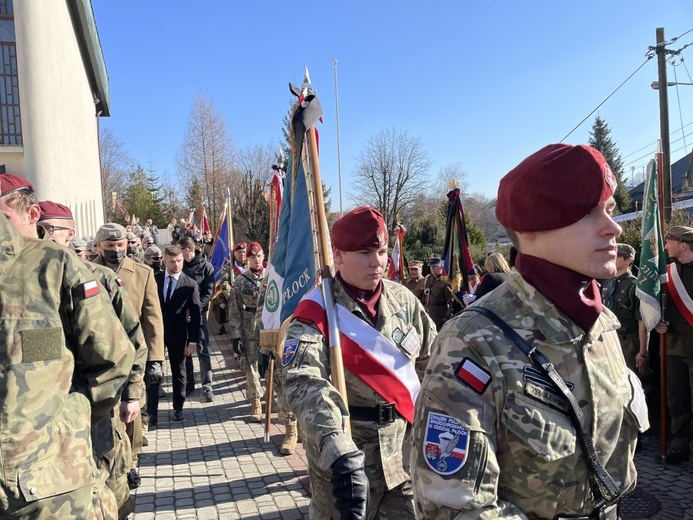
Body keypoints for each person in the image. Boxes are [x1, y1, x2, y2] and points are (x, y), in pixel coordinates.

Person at [411, 144, 648, 519]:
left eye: (610, 210)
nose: (613, 227)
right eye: (588, 213)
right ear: (531, 230)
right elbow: (454, 507)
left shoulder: (601, 324)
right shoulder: (473, 341)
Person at [281, 206, 437, 519]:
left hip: (403, 457)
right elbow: (303, 382)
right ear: (337, 256)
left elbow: (433, 360)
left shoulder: (403, 301)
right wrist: (335, 443)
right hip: (347, 463)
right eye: (365, 252)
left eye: (380, 251)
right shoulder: (318, 312)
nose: (378, 262)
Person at [0, 174, 135, 518]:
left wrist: (81, 414)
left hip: (50, 475)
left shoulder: (56, 265)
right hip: (52, 476)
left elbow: (119, 348)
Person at [38, 200, 148, 518]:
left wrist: (131, 394)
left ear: (70, 234)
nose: (39, 236)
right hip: (43, 423)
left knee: (111, 493)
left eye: (48, 229)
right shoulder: (22, 282)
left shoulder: (97, 280)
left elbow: (131, 340)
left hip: (98, 413)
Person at [93, 222, 165, 489]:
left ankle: (132, 461)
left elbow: (153, 319)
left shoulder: (142, 274)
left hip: (133, 356)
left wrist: (156, 359)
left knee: (132, 410)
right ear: (98, 247)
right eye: (110, 246)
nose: (116, 251)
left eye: (120, 245)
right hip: (99, 357)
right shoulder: (85, 272)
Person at [655, 225, 693, 468]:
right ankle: (680, 445)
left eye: (669, 241)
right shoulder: (667, 272)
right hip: (671, 345)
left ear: (683, 244)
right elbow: (654, 303)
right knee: (676, 399)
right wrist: (655, 322)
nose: (665, 245)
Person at [153, 245, 201, 421]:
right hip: (156, 333)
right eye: (172, 261)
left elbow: (195, 316)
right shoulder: (154, 280)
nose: (176, 265)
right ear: (165, 261)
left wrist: (193, 341)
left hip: (179, 334)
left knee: (179, 371)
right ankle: (151, 412)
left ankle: (178, 407)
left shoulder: (190, 284)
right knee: (153, 372)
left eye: (179, 261)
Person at [228, 242, 268, 422]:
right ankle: (255, 402)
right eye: (252, 257)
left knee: (270, 364)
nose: (256, 260)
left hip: (269, 326)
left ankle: (272, 397)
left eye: (259, 256)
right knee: (251, 366)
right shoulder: (241, 280)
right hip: (249, 325)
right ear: (248, 259)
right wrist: (235, 335)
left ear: (263, 256)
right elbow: (234, 309)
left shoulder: (272, 277)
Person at [178, 236, 216, 402]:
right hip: (181, 315)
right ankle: (189, 383)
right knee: (185, 350)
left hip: (198, 315)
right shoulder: (179, 266)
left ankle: (207, 386)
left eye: (179, 249)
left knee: (203, 351)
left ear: (187, 250)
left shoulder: (206, 267)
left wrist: (194, 310)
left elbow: (208, 292)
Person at [427, 256, 454, 331]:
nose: (432, 268)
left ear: (441, 267)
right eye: (431, 266)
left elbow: (451, 300)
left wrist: (447, 316)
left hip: (441, 314)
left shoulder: (445, 280)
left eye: (435, 266)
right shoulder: (429, 279)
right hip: (430, 313)